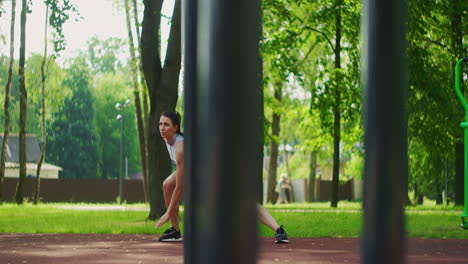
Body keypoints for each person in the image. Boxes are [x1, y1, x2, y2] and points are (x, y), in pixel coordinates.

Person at [155, 111, 289, 243]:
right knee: (167, 185)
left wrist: (168, 212)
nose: (162, 128)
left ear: (175, 127)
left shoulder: (180, 147)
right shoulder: (169, 139)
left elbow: (180, 187)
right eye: (160, 124)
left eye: (166, 124)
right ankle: (175, 230)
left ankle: (278, 230)